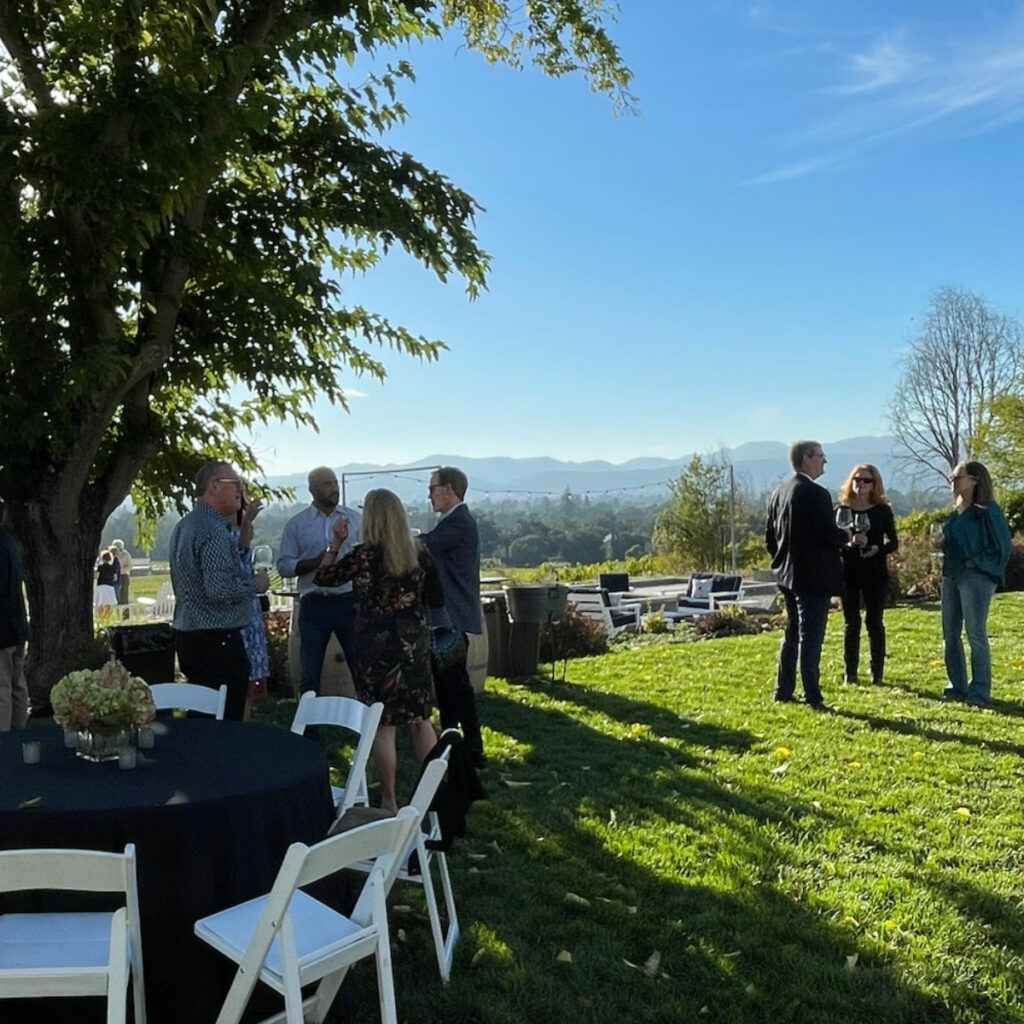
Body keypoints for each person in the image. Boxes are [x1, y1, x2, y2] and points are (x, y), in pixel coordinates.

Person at [314, 489, 443, 813]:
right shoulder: (419, 552)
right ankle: (436, 794)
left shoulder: (363, 555)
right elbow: (437, 596)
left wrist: (334, 544)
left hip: (375, 650)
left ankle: (388, 799)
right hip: (413, 646)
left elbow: (324, 578)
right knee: (419, 720)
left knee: (383, 725)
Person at [169, 460, 269, 720]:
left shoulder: (185, 526)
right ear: (213, 486)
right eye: (235, 482)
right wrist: (254, 585)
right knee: (225, 721)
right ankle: (222, 761)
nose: (240, 489)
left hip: (189, 637)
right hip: (218, 642)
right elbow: (219, 590)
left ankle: (198, 760)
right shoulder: (213, 531)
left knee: (203, 716)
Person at [765, 440, 855, 710]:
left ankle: (783, 689)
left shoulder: (778, 492)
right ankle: (812, 694)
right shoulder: (816, 493)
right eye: (821, 456)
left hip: (786, 575)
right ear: (807, 458)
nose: (824, 461)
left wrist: (782, 561)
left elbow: (770, 537)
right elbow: (826, 533)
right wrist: (846, 535)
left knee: (792, 632)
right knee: (811, 635)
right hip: (813, 576)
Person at [420, 466, 485, 766]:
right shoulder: (453, 521)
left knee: (455, 684)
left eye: (432, 489)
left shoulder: (458, 522)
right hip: (447, 616)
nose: (430, 495)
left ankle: (472, 748)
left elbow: (424, 545)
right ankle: (454, 742)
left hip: (452, 617)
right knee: (446, 683)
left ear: (447, 490)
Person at [277, 466, 361, 696]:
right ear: (312, 490)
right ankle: (308, 728)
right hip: (313, 604)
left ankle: (368, 724)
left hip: (348, 601)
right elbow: (283, 566)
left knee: (360, 668)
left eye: (334, 483)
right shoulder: (297, 525)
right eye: (327, 484)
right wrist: (318, 561)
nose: (334, 489)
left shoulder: (355, 519)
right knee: (310, 673)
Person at [938, 460, 1012, 706]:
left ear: (974, 480)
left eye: (957, 477)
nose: (952, 482)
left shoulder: (987, 510)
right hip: (951, 574)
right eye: (951, 478)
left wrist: (977, 562)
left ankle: (979, 691)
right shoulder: (956, 511)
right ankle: (956, 685)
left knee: (975, 632)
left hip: (975, 577)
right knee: (950, 632)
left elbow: (1002, 547)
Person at [836, 464, 900, 685]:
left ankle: (877, 673)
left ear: (874, 484)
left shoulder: (882, 510)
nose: (860, 484)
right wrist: (849, 543)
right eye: (857, 479)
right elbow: (833, 542)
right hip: (849, 571)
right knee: (851, 623)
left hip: (874, 572)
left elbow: (893, 542)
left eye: (865, 480)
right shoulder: (842, 510)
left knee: (875, 622)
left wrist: (876, 549)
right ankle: (850, 674)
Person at [237, 495, 270, 721]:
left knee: (248, 691)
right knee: (240, 689)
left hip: (248, 618)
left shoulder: (239, 538)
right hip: (239, 622)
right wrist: (254, 584)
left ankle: (244, 730)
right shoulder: (224, 535)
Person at [0, 499, 29, 732]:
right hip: (17, 622)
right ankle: (19, 730)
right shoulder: (12, 542)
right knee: (18, 682)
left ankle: (4, 739)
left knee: (2, 687)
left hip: (2, 626)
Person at [94, 549, 119, 618]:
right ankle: (107, 617)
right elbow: (115, 578)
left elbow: (96, 576)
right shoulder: (112, 568)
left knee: (100, 603)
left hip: (101, 586)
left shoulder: (100, 567)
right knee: (108, 604)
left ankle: (100, 617)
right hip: (110, 586)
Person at [110, 538, 133, 605]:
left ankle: (125, 614)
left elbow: (129, 566)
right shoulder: (111, 554)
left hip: (123, 576)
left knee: (124, 595)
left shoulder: (126, 554)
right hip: (114, 576)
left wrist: (119, 570)